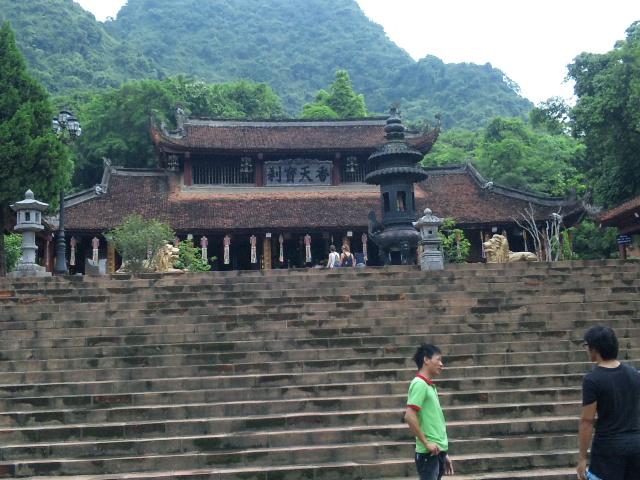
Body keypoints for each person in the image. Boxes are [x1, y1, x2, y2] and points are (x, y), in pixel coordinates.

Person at [577, 325, 640, 480]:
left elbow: (587, 421)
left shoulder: (593, 380)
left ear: (594, 349)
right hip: (635, 445)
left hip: (607, 449)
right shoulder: (633, 373)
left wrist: (582, 458)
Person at [405, 343, 454, 480]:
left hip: (437, 451)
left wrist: (444, 452)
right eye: (438, 359)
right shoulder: (419, 384)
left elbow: (432, 420)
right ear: (426, 360)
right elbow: (409, 416)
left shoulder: (429, 386)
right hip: (429, 453)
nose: (441, 364)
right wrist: (426, 443)